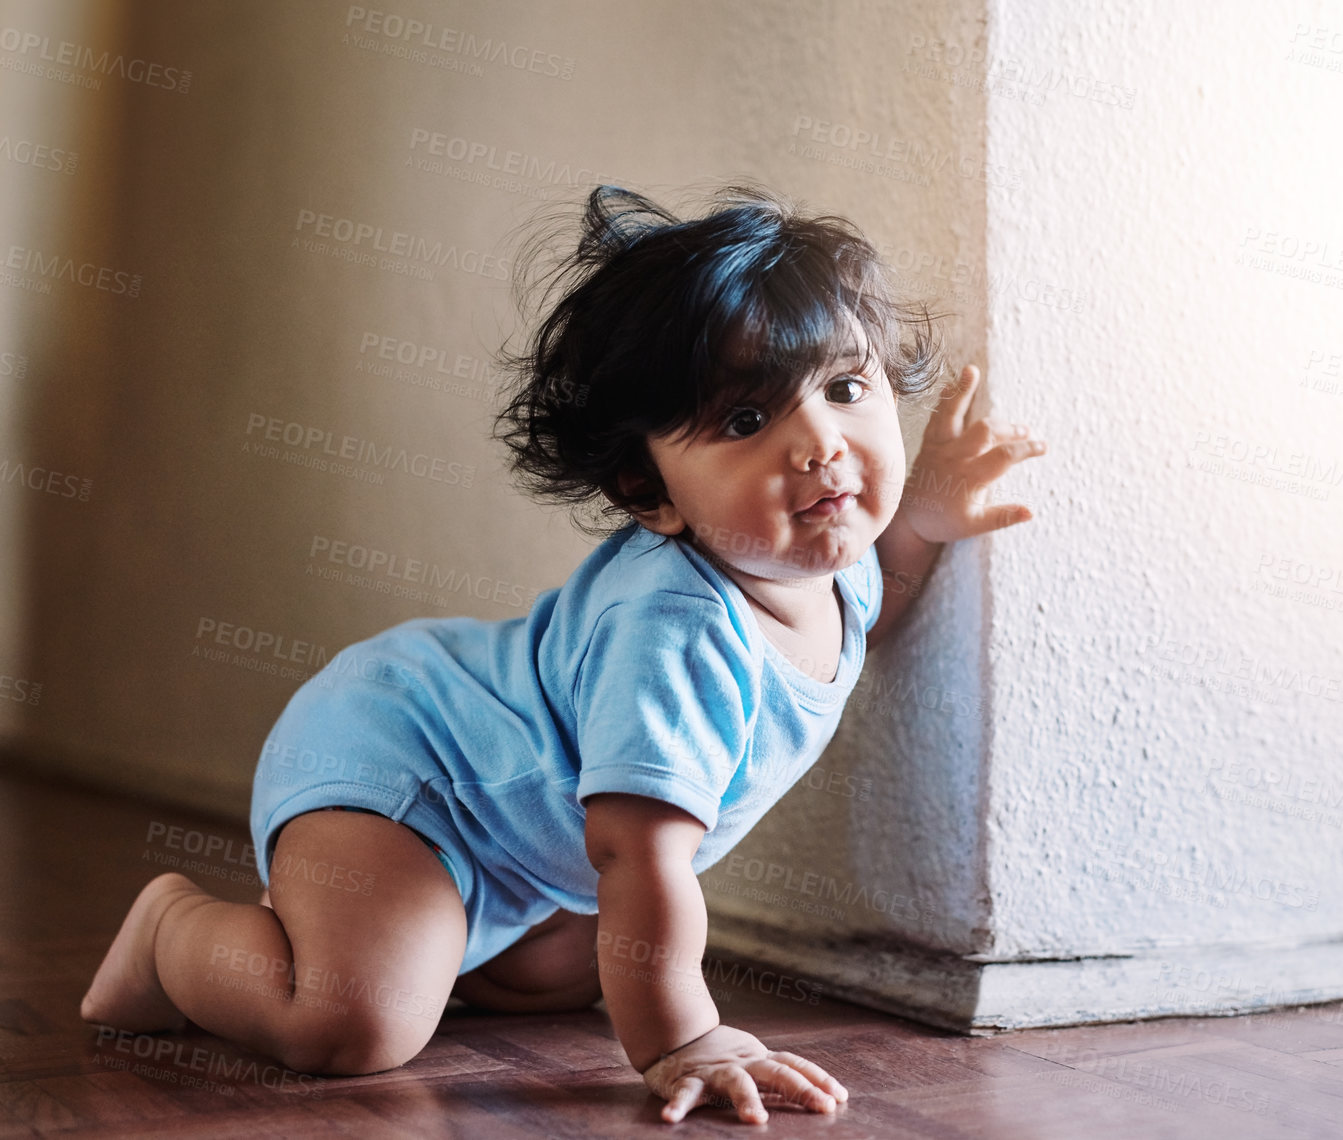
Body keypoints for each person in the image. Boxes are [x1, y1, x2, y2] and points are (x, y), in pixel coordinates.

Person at [81, 182, 1047, 1125]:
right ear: (649, 490)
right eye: (748, 421)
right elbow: (638, 850)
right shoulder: (674, 629)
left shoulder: (825, 565)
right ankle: (172, 935)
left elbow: (874, 611)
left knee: (566, 974)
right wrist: (684, 1040)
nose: (821, 446)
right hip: (407, 763)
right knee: (354, 1023)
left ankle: (440, 939)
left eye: (844, 389)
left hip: (525, 843)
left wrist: (921, 515)